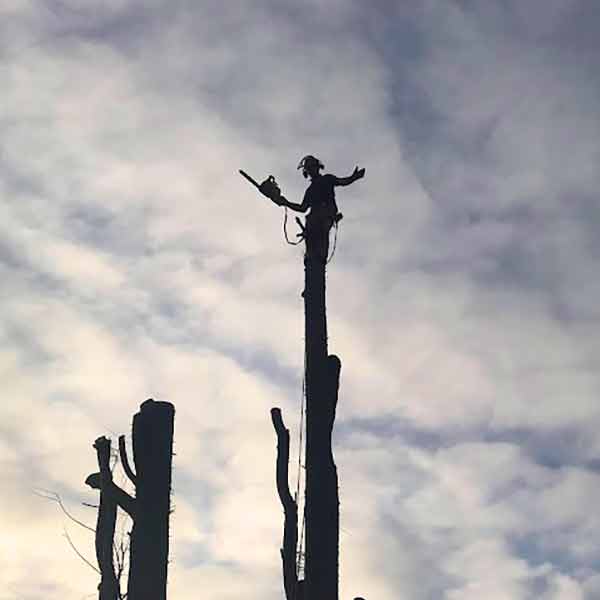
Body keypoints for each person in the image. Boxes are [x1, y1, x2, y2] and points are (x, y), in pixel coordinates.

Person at [260, 155, 365, 258]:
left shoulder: (327, 179)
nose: (311, 170)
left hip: (325, 216)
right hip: (314, 220)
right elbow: (302, 208)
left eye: (312, 167)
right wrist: (285, 202)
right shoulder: (310, 190)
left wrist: (354, 177)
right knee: (312, 252)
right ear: (307, 172)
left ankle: (317, 261)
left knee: (319, 251)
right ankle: (312, 260)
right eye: (309, 168)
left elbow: (343, 181)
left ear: (317, 167)